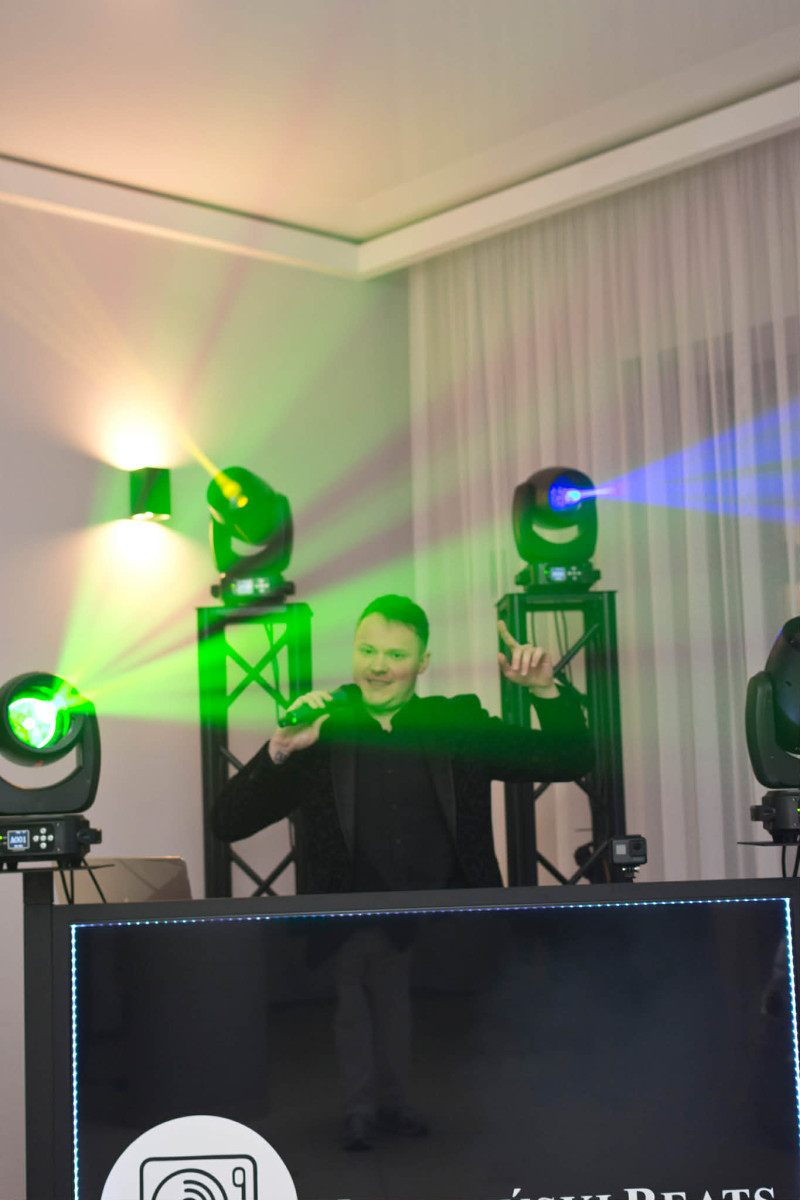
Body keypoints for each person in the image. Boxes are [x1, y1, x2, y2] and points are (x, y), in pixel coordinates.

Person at [211, 594, 592, 1148]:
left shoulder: (457, 724)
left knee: (417, 1023)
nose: (378, 666)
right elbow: (227, 823)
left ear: (422, 662)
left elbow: (571, 758)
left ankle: (406, 1110)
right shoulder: (321, 732)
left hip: (443, 929)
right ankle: (359, 1114)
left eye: (395, 654)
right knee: (352, 1015)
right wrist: (279, 749)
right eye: (367, 650)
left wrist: (544, 691)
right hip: (346, 921)